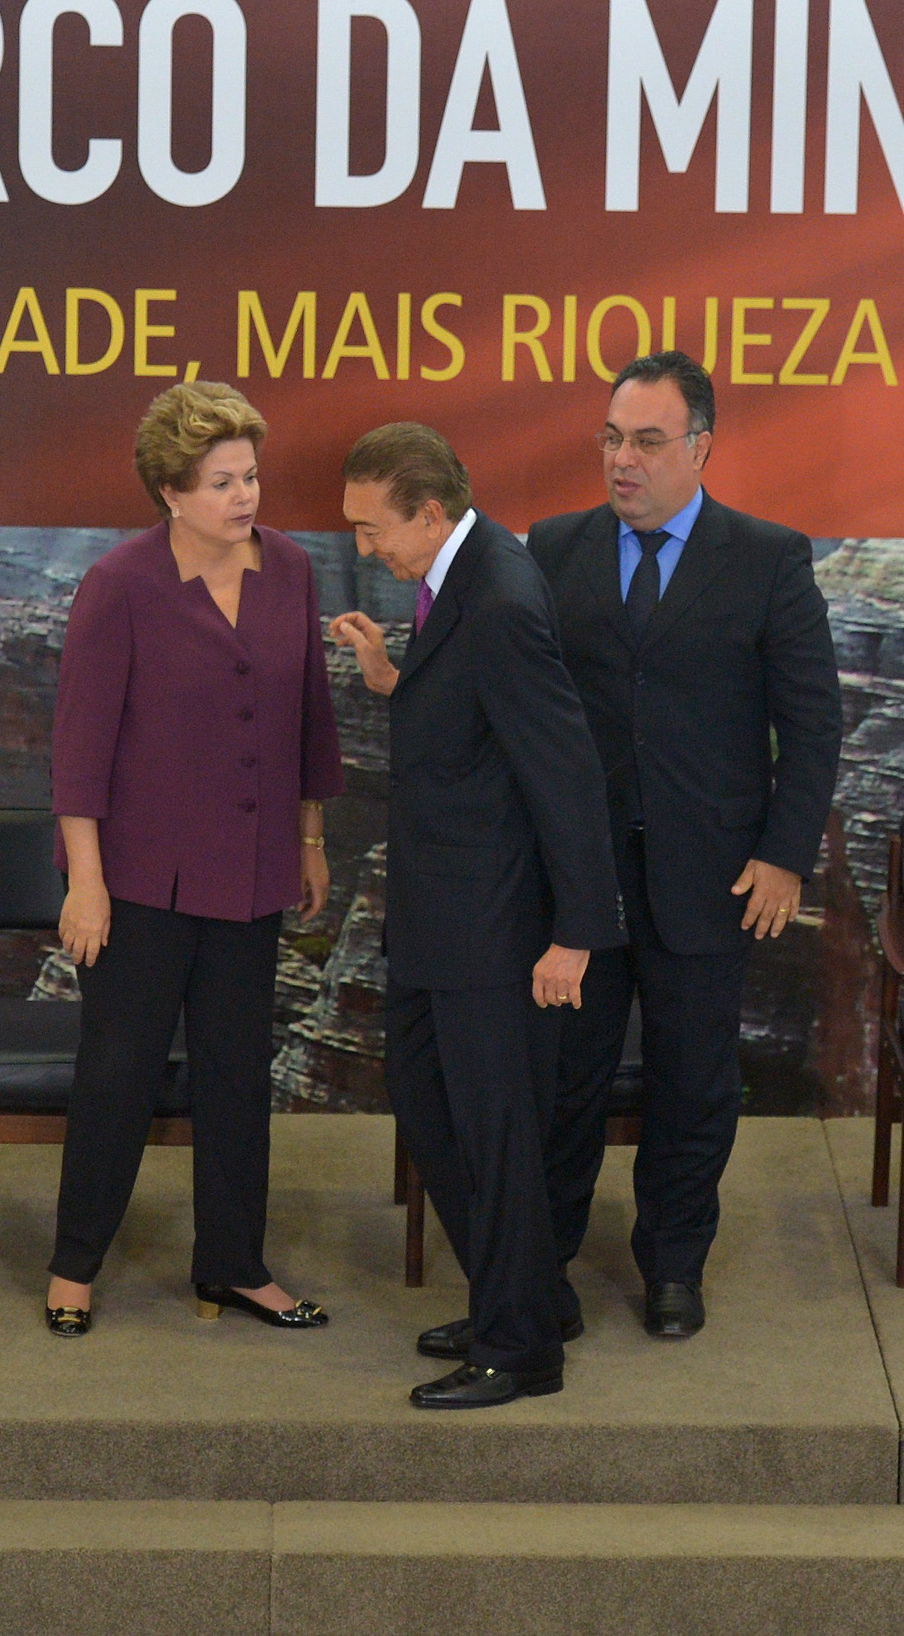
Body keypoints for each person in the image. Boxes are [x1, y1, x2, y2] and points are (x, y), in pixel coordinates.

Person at [526, 352, 843, 1339]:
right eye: (612, 438)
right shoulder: (552, 548)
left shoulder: (769, 558)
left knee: (693, 1082)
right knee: (564, 1079)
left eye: (648, 442)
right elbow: (516, 702)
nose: (624, 460)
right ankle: (542, 1266)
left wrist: (787, 853)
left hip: (714, 878)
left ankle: (672, 1267)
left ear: (701, 448)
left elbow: (814, 720)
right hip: (579, 884)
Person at [330, 423, 624, 1408]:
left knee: (492, 1132)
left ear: (428, 510)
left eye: (374, 530)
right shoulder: (464, 573)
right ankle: (528, 1293)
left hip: (494, 928)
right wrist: (394, 683)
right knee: (428, 1100)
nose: (364, 548)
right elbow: (476, 724)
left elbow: (565, 771)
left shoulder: (499, 597)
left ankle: (520, 1348)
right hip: (441, 915)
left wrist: (576, 933)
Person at [45, 381, 344, 1338]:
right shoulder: (121, 584)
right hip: (138, 884)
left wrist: (309, 838)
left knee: (237, 1075)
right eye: (222, 482)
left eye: (251, 476)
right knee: (117, 1073)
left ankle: (234, 1263)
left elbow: (308, 720)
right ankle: (74, 1266)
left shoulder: (292, 569)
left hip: (252, 873)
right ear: (171, 493)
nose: (246, 497)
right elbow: (79, 753)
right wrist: (85, 884)